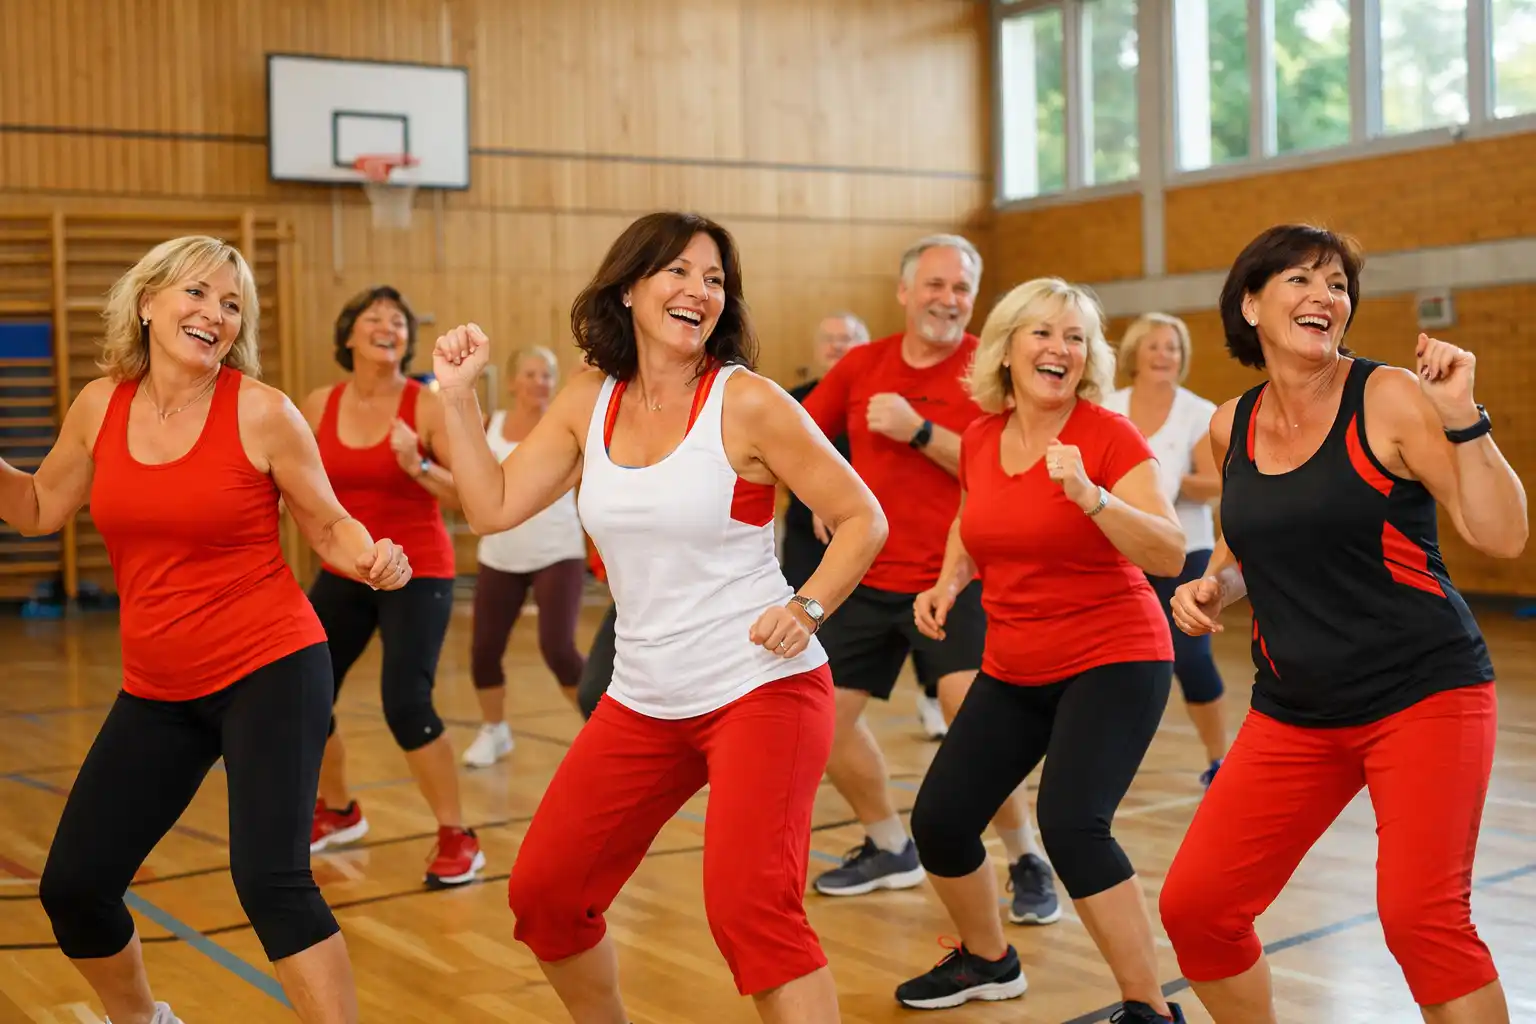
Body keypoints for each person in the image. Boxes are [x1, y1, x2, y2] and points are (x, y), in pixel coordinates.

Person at [433, 210, 886, 1024]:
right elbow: (491, 506)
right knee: (546, 894)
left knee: (753, 913)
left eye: (714, 279)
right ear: (631, 287)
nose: (698, 290)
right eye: (678, 271)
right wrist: (458, 400)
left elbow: (863, 518)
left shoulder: (747, 401)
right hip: (644, 696)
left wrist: (808, 605)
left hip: (761, 689)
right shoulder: (587, 400)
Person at [9, 235, 412, 1024]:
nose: (215, 315)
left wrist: (374, 559)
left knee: (272, 881)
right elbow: (36, 509)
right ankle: (143, 1019)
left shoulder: (263, 411)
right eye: (197, 294)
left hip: (271, 664)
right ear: (148, 301)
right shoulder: (100, 405)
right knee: (75, 886)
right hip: (158, 688)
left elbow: (327, 525)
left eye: (232, 305)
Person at [1160, 224, 1523, 1024]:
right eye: (1300, 280)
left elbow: (1500, 536)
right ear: (1250, 304)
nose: (1325, 296)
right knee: (1196, 911)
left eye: (1337, 284)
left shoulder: (1388, 395)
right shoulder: (1231, 424)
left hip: (1422, 694)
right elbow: (1249, 542)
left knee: (1422, 921)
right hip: (1295, 709)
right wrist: (1213, 587)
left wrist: (1463, 416)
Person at [894, 277, 1188, 1022]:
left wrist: (1094, 497)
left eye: (1075, 338)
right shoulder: (986, 436)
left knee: (1071, 825)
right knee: (941, 820)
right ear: (1007, 347)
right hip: (1016, 660)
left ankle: (1149, 1009)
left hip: (1115, 654)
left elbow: (1167, 550)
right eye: (1042, 333)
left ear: (1087, 358)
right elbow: (973, 514)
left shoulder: (1108, 436)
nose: (1059, 349)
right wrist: (947, 580)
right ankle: (988, 960)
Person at [799, 235, 1058, 926]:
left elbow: (1004, 471)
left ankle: (1026, 856)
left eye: (962, 289)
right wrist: (824, 495)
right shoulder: (861, 364)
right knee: (819, 720)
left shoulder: (993, 368)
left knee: (976, 723)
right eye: (936, 285)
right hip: (867, 576)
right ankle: (888, 843)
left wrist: (919, 432)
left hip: (959, 576)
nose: (948, 300)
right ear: (905, 292)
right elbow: (800, 439)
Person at [300, 285, 482, 889]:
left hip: (418, 569)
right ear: (349, 335)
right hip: (346, 570)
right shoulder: (318, 404)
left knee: (406, 703)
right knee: (302, 691)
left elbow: (472, 497)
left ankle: (458, 835)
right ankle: (340, 809)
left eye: (399, 321)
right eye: (374, 318)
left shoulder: (424, 406)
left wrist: (420, 466)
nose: (388, 327)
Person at [1102, 313, 1230, 785]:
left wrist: (1166, 483)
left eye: (1172, 347)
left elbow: (1216, 482)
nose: (1163, 355)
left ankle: (1220, 760)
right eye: (1154, 346)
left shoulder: (1199, 412)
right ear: (1135, 354)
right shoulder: (1107, 407)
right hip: (1122, 549)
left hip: (1187, 549)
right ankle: (1105, 758)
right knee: (1117, 661)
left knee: (1191, 657)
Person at [462, 345, 589, 768]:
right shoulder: (490, 425)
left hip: (558, 552)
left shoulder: (565, 425)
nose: (539, 383)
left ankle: (600, 728)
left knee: (558, 649)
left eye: (547, 376)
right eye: (531, 375)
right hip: (500, 555)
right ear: (513, 381)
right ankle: (494, 731)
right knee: (483, 650)